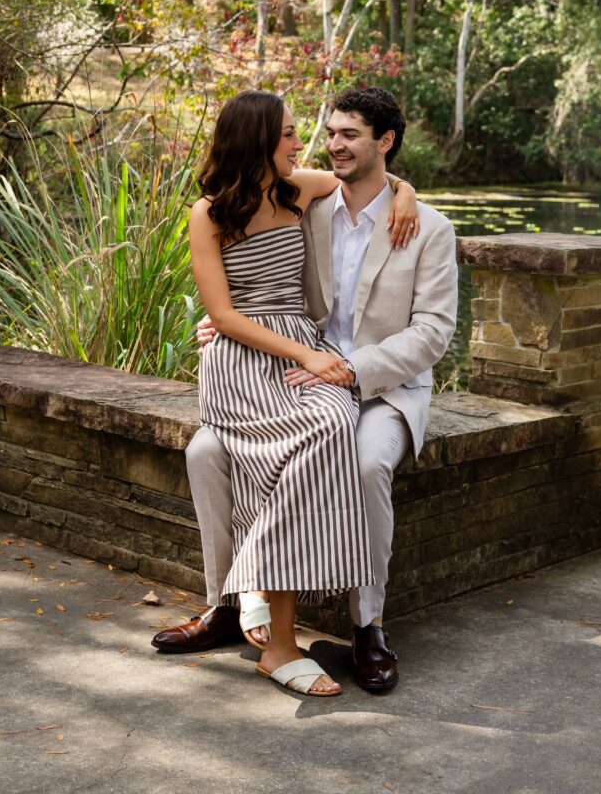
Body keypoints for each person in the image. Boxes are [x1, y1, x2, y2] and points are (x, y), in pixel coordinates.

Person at [153, 85, 457, 692]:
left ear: (385, 142)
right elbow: (246, 279)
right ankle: (230, 606)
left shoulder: (424, 227)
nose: (329, 144)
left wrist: (405, 190)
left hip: (380, 383)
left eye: (349, 135)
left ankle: (367, 625)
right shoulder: (308, 202)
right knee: (205, 453)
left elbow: (434, 333)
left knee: (365, 460)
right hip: (286, 367)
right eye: (326, 133)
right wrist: (232, 319)